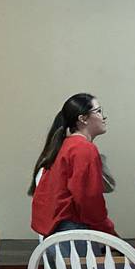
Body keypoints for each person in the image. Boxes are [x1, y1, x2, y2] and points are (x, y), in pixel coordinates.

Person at [30, 93, 117, 238]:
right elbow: (89, 200)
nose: (103, 117)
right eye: (98, 111)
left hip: (56, 234)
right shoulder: (83, 148)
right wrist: (109, 232)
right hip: (73, 232)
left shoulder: (65, 145)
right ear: (83, 119)